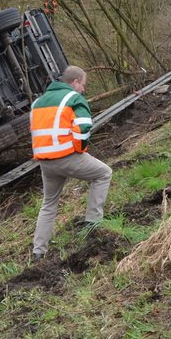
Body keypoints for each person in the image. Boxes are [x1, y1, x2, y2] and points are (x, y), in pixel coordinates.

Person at [30, 65, 112, 260]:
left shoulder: (37, 103)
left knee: (49, 204)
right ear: (75, 82)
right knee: (103, 174)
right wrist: (80, 149)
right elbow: (83, 128)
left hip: (45, 162)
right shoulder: (74, 98)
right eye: (83, 85)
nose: (83, 89)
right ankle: (92, 224)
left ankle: (38, 251)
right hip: (68, 156)